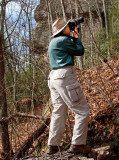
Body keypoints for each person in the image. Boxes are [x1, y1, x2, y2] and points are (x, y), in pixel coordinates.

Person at [47, 18, 90, 155]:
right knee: (82, 110)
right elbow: (80, 51)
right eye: (66, 26)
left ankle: (52, 146)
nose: (68, 27)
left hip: (53, 77)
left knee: (58, 111)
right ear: (62, 30)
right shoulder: (64, 40)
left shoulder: (53, 42)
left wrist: (71, 35)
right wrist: (76, 37)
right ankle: (77, 144)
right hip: (64, 76)